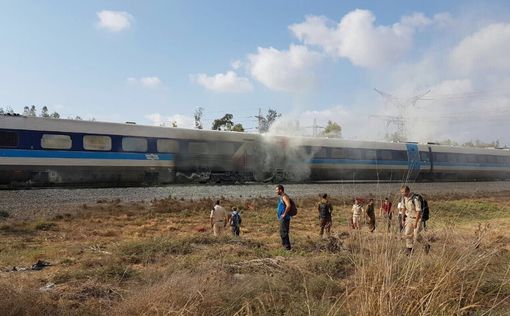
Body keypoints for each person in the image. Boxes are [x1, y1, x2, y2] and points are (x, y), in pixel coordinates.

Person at [400, 185, 431, 254]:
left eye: (403, 192)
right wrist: (402, 219)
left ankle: (426, 245)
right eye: (401, 192)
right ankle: (409, 249)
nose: (402, 194)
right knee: (407, 233)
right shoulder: (404, 198)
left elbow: (418, 211)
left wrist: (416, 222)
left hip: (417, 218)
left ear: (408, 191)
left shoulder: (415, 199)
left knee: (416, 234)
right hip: (409, 218)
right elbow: (403, 208)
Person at [275, 184, 292, 250]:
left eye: (277, 190)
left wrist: (284, 214)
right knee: (282, 232)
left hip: (285, 218)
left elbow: (288, 206)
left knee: (284, 232)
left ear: (280, 190)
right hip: (282, 218)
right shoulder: (282, 197)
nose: (276, 191)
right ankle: (285, 246)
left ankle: (287, 247)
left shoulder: (284, 197)